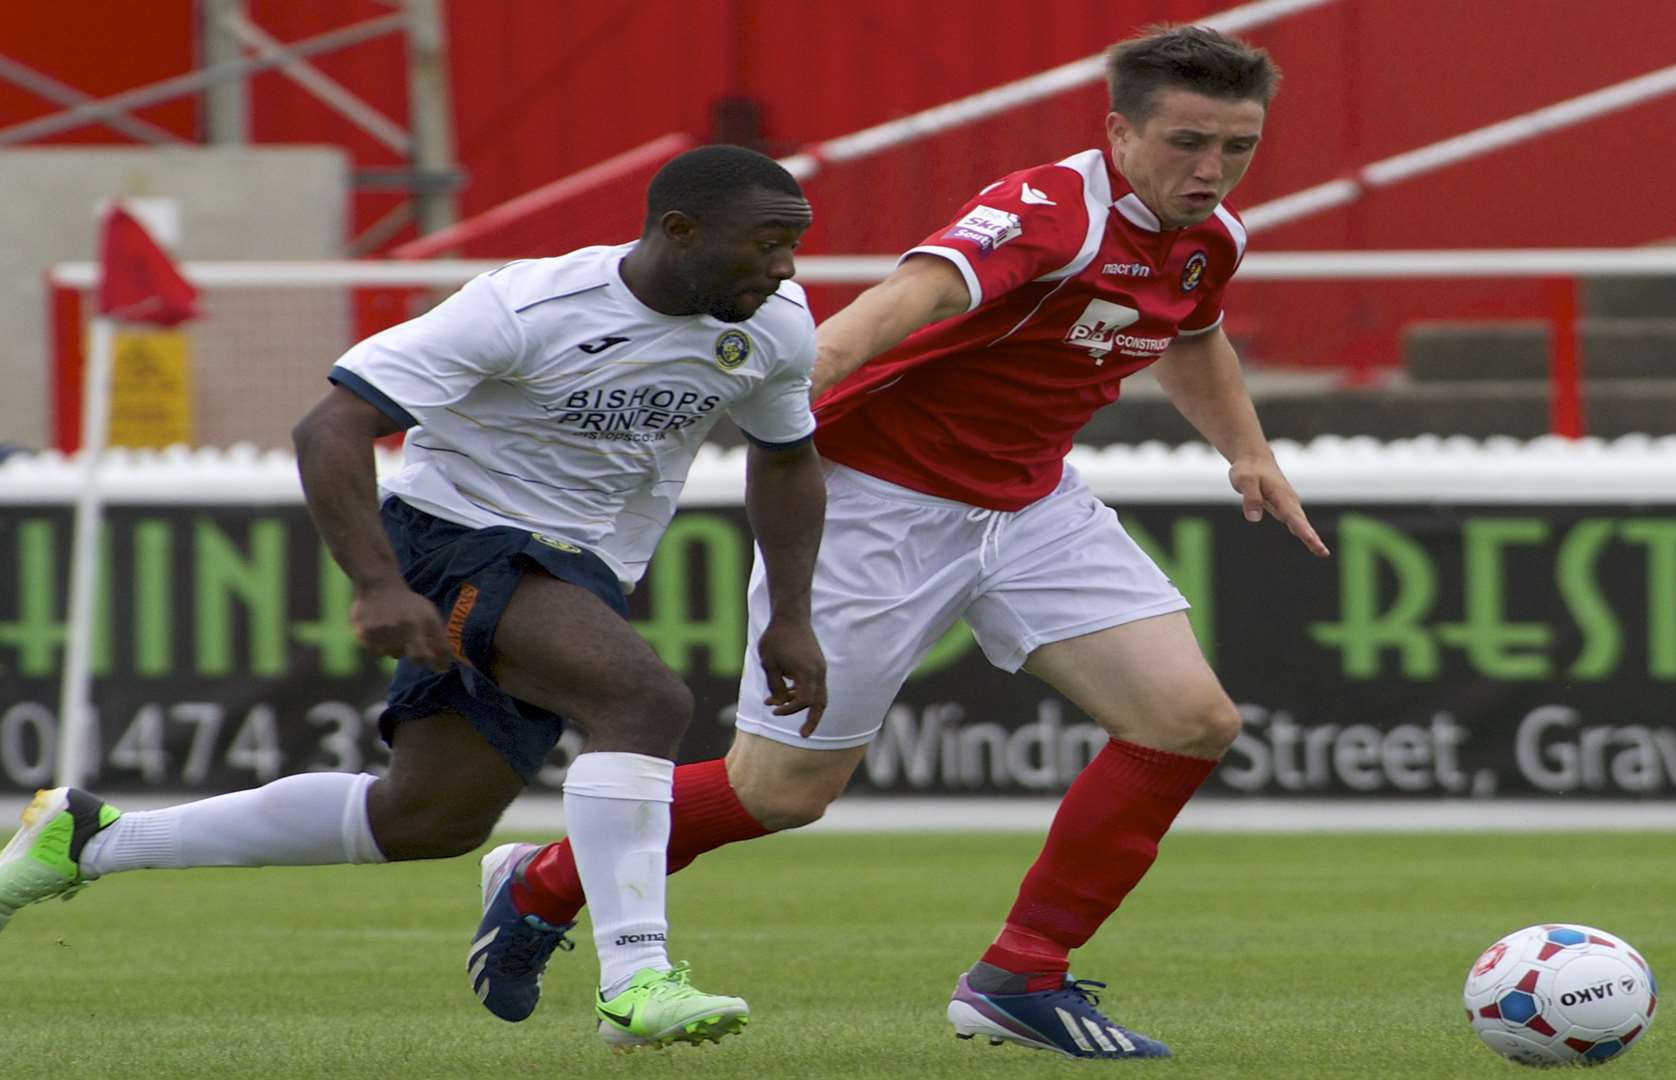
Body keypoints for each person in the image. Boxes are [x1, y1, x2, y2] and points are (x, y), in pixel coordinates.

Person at [482, 24, 1330, 1059]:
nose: (1212, 170)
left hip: (1031, 504)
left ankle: (1022, 975)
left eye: (1237, 147)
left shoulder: (1212, 237)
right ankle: (542, 881)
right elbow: (906, 300)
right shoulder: (1046, 212)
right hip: (874, 504)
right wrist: (773, 397)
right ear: (1118, 130)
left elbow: (1191, 331)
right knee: (779, 794)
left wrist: (1248, 451)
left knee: (1190, 719)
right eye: (1189, 142)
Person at [0, 145, 830, 1053]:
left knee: (425, 818)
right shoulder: (525, 307)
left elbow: (785, 458)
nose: (784, 269)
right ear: (678, 231)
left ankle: (91, 840)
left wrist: (792, 616)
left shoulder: (773, 324)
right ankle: (635, 981)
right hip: (455, 536)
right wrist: (378, 584)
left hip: (586, 572)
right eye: (767, 245)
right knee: (644, 699)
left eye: (792, 248)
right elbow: (329, 425)